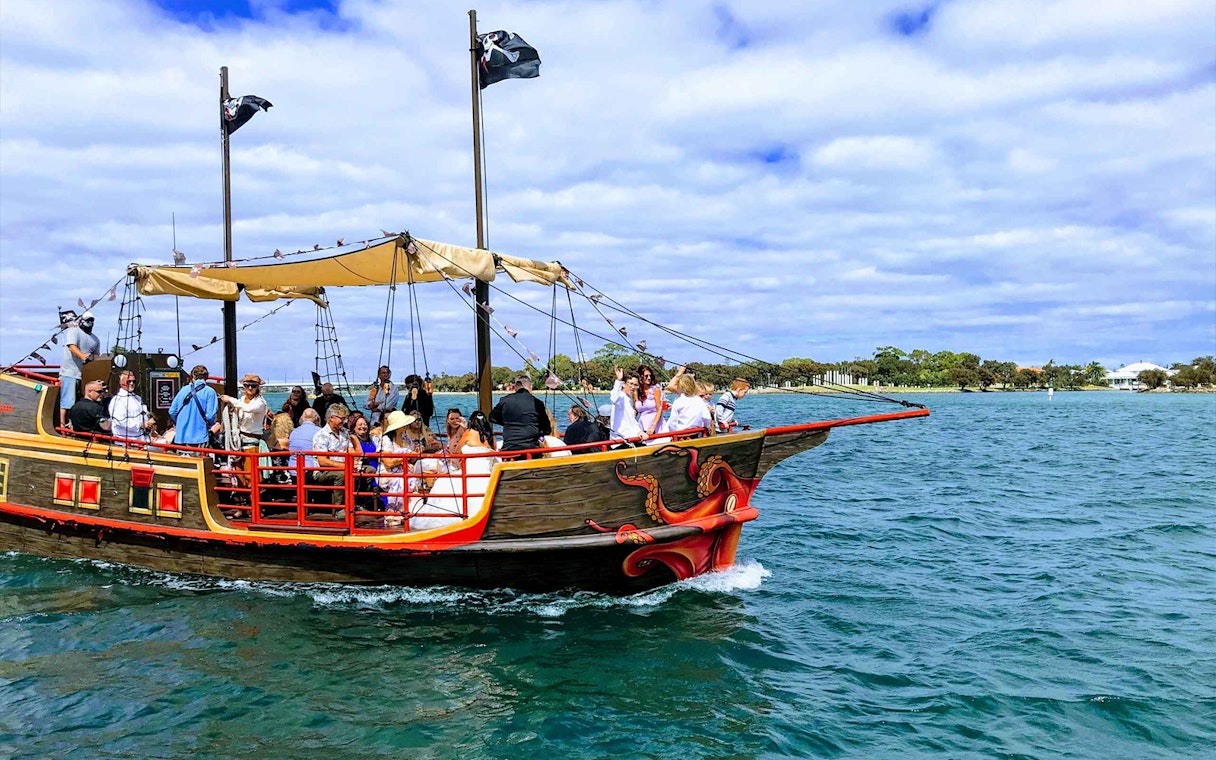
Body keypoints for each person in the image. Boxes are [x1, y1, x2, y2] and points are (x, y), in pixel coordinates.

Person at [414, 410, 500, 532]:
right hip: (486, 475)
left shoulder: (469, 433)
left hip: (470, 473)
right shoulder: (491, 437)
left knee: (442, 483)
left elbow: (457, 450)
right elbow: (494, 450)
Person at [489, 374, 551, 453]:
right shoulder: (538, 403)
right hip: (532, 449)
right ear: (530, 387)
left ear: (515, 387)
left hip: (509, 449)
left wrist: (507, 422)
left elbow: (492, 417)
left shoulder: (505, 400)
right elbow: (547, 430)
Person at [59, 311, 101, 427]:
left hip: (85, 375)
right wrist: (83, 356)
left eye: (91, 320)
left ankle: (74, 425)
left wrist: (92, 359)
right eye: (87, 320)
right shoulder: (73, 331)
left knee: (79, 403)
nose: (90, 323)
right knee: (67, 401)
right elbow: (71, 346)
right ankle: (62, 425)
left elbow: (97, 356)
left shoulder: (95, 339)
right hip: (70, 372)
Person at [311, 404, 353, 513]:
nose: (344, 421)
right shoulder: (321, 435)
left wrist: (356, 463)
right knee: (341, 475)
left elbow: (352, 451)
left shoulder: (345, 433)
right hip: (322, 472)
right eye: (341, 418)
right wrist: (345, 466)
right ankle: (338, 509)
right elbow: (322, 461)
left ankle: (359, 503)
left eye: (345, 418)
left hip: (345, 467)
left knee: (369, 471)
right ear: (331, 418)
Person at [376, 410, 417, 519]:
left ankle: (409, 510)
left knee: (413, 479)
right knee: (400, 481)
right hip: (386, 473)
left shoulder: (406, 439)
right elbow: (388, 462)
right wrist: (405, 457)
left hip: (404, 470)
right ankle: (393, 511)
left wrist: (414, 455)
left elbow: (411, 459)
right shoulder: (385, 440)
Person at [168, 365, 220, 447]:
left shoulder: (183, 390)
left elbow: (172, 411)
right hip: (199, 437)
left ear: (192, 376)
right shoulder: (210, 392)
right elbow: (210, 416)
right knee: (200, 459)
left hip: (181, 437)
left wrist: (179, 423)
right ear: (206, 377)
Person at [219, 373, 270, 451]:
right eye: (247, 385)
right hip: (239, 440)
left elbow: (248, 408)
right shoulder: (242, 400)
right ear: (244, 386)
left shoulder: (260, 402)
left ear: (258, 387)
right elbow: (240, 407)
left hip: (253, 442)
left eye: (253, 386)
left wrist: (230, 399)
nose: (250, 388)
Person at [108, 370, 155, 444]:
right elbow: (120, 421)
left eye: (134, 381)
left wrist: (149, 421)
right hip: (126, 441)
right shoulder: (117, 400)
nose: (131, 383)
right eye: (128, 381)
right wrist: (140, 424)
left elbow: (144, 413)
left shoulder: (137, 398)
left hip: (141, 439)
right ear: (121, 383)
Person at [608, 366, 646, 442]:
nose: (633, 387)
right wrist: (619, 380)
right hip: (620, 441)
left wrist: (639, 431)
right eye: (631, 384)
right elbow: (614, 397)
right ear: (624, 384)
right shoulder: (620, 397)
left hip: (631, 438)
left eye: (636, 385)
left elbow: (631, 421)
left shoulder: (629, 399)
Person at [635, 363, 667, 436]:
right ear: (641, 377)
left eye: (650, 376)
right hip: (642, 424)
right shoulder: (636, 392)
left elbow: (659, 410)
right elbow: (635, 410)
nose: (649, 378)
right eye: (646, 376)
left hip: (656, 425)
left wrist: (653, 426)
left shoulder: (656, 390)